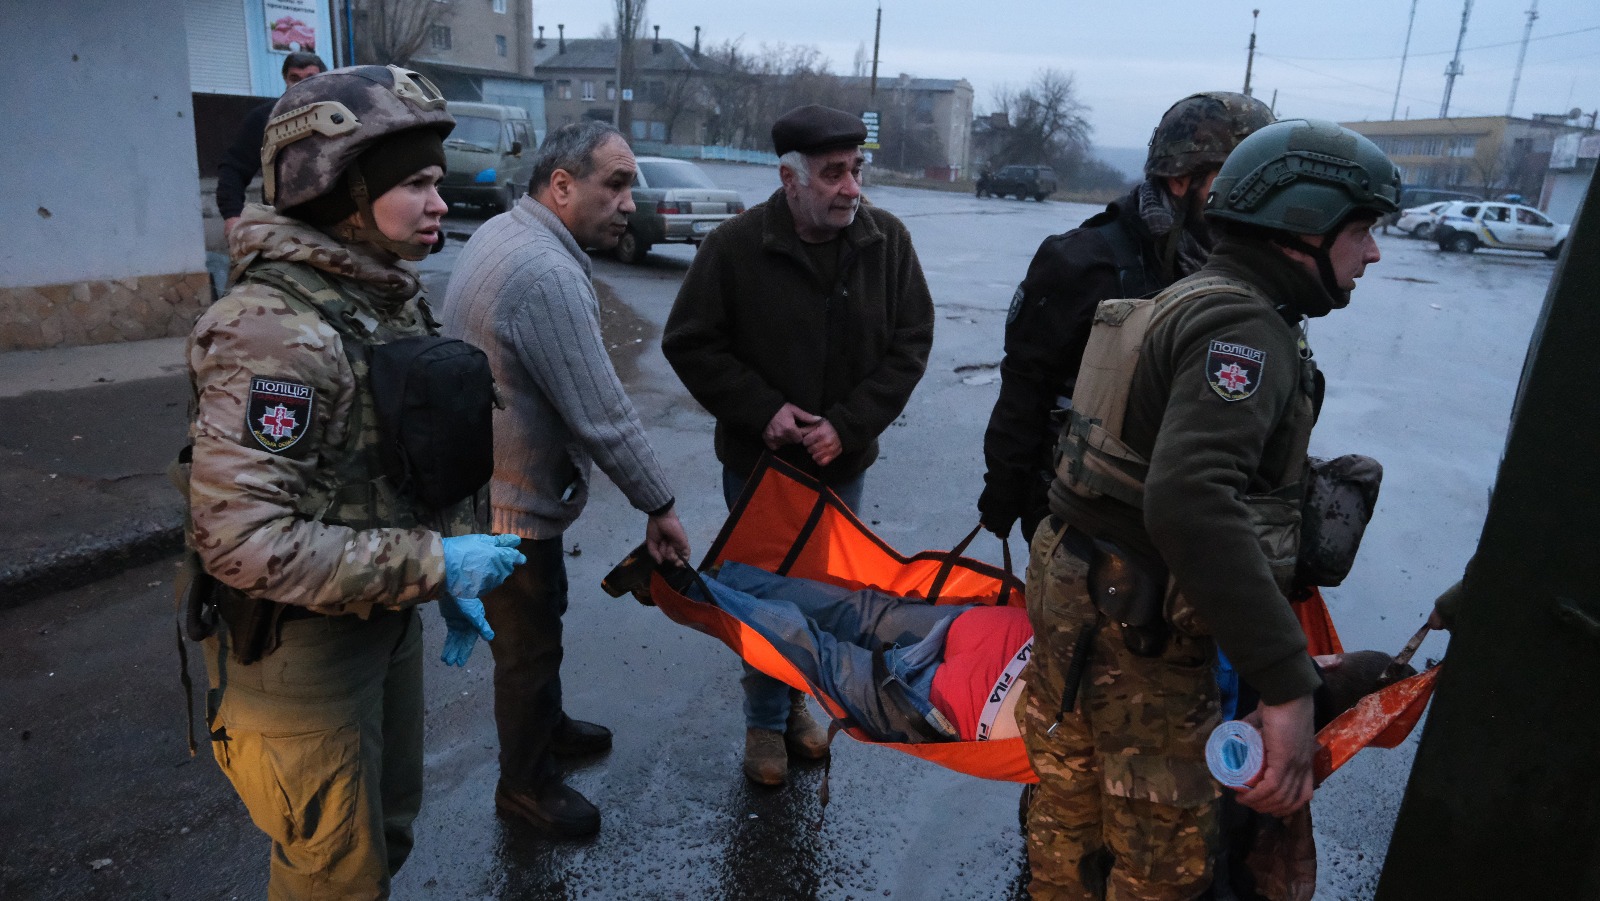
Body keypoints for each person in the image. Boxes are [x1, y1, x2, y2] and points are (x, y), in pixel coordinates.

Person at [1016, 118, 1399, 900]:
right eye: (1361, 229)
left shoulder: (1189, 297)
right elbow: (1190, 500)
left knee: (1071, 822)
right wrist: (1288, 687)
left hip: (1084, 598)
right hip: (1140, 634)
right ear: (1303, 224)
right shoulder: (1244, 328)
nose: (1374, 252)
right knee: (1161, 865)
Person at [183, 65, 526, 898]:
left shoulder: (377, 299)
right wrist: (436, 564)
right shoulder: (276, 330)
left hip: (379, 621)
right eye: (415, 183)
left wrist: (438, 562)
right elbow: (242, 539)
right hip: (302, 654)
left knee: (385, 835)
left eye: (438, 181)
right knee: (333, 875)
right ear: (336, 188)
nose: (440, 203)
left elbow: (401, 453)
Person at [662, 103, 936, 786]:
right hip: (758, 468)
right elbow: (689, 342)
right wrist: (765, 412)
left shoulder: (887, 242)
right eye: (834, 173)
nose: (851, 187)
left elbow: (910, 344)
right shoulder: (735, 246)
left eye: (856, 171)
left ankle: (796, 708)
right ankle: (765, 722)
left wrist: (847, 424)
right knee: (763, 597)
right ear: (790, 179)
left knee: (820, 595)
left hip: (840, 465)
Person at [440, 121, 691, 839]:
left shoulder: (512, 233)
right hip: (509, 502)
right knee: (527, 646)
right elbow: (602, 410)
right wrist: (661, 503)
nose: (627, 202)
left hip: (492, 480)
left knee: (539, 620)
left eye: (630, 186)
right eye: (613, 184)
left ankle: (546, 725)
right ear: (561, 186)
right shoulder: (544, 271)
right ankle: (525, 783)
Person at [977, 92, 1274, 544]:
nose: (1252, 200)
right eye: (1236, 180)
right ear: (1180, 180)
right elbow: (1024, 387)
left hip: (1193, 525)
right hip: (1086, 527)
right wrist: (1003, 496)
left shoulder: (1251, 271)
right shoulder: (1083, 262)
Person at [216, 51, 327, 239]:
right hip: (282, 219)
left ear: (323, 78)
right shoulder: (264, 118)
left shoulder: (342, 114)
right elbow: (234, 168)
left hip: (335, 217)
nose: (301, 84)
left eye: (310, 77)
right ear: (285, 79)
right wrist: (232, 215)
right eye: (295, 77)